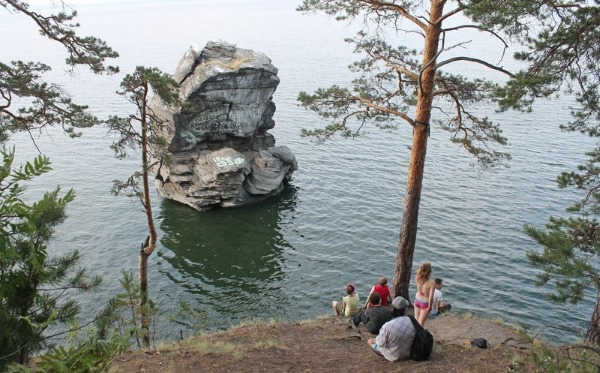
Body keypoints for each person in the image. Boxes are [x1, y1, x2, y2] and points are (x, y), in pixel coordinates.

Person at [367, 296, 416, 362]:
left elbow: (380, 343)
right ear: (405, 309)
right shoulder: (412, 321)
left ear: (392, 309)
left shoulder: (387, 326)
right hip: (408, 353)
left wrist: (375, 340)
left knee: (370, 341)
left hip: (393, 356)